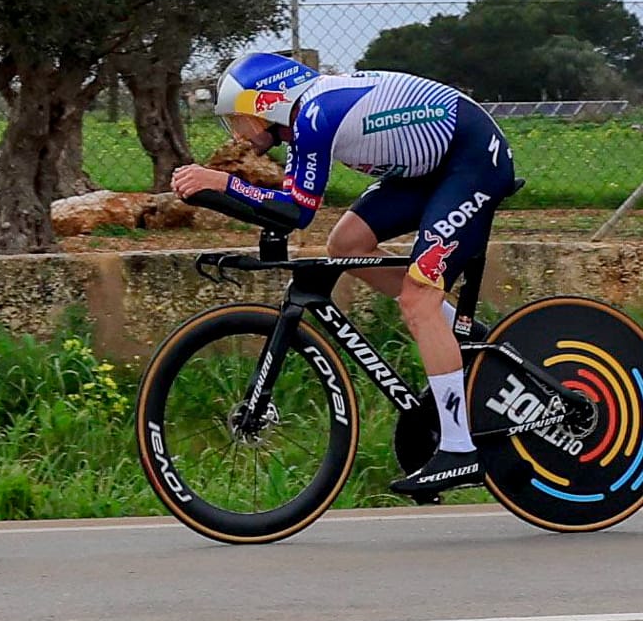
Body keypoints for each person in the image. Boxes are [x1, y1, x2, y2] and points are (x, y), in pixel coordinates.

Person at [173, 52, 516, 498]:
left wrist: (221, 185)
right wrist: (218, 194)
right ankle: (455, 332)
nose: (238, 133)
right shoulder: (307, 119)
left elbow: (296, 212)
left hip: (471, 164)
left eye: (241, 118)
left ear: (270, 102)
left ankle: (458, 448)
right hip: (433, 169)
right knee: (346, 245)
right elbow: (286, 207)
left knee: (417, 300)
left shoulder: (316, 115)